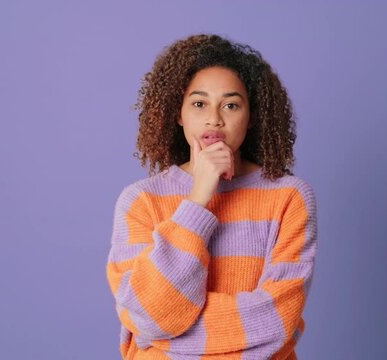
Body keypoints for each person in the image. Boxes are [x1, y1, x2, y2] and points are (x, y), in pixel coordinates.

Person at [105, 33, 318, 360]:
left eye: (231, 105)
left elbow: (276, 322)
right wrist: (198, 199)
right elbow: (151, 315)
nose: (214, 118)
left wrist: (164, 339)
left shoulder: (288, 197)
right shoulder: (140, 201)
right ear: (179, 113)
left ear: (251, 117)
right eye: (199, 103)